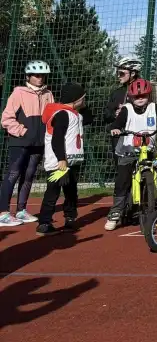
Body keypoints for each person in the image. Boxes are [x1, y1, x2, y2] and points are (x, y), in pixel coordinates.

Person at [107, 77, 157, 231]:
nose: (140, 99)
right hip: (128, 151)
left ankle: (150, 210)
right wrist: (116, 128)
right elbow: (117, 123)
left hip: (147, 150)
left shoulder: (154, 108)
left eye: (143, 96)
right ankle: (116, 212)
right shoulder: (127, 109)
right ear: (131, 97)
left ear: (149, 95)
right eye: (136, 96)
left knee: (150, 178)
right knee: (123, 181)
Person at [0, 60, 54, 226]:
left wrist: (47, 135)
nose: (40, 78)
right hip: (20, 142)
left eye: (43, 75)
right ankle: (3, 213)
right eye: (36, 75)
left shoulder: (48, 94)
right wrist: (23, 132)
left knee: (29, 175)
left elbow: (51, 118)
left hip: (39, 143)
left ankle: (21, 210)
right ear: (28, 77)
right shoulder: (18, 93)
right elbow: (6, 119)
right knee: (13, 174)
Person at [36, 82, 89, 234]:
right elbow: (57, 138)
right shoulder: (62, 114)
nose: (85, 100)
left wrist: (83, 107)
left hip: (71, 161)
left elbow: (89, 118)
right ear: (76, 99)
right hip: (59, 163)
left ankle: (70, 218)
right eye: (83, 97)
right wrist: (61, 159)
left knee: (71, 192)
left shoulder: (75, 114)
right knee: (52, 192)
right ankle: (44, 223)